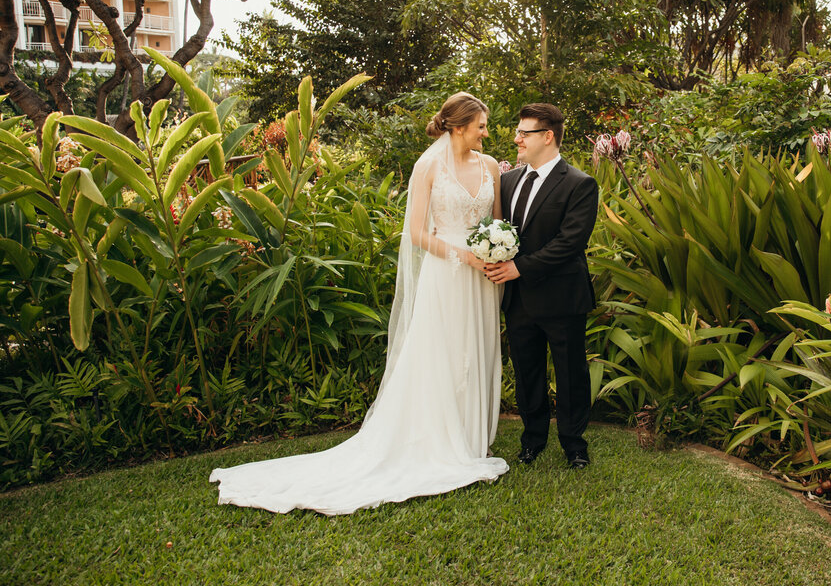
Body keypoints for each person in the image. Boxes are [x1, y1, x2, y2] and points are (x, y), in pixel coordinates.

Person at [209, 92, 509, 514]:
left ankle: (473, 436)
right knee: (442, 351)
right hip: (448, 274)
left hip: (483, 276)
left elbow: (495, 221)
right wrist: (465, 255)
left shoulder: (491, 166)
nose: (486, 131)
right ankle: (439, 436)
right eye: (480, 124)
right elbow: (418, 235)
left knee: (476, 349)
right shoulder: (429, 167)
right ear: (459, 126)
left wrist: (496, 250)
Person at [485, 103, 599, 469]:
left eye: (524, 133)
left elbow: (570, 242)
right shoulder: (508, 181)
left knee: (571, 374)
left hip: (563, 297)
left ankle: (574, 445)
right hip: (519, 302)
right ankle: (532, 441)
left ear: (548, 136)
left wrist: (519, 268)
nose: (516, 139)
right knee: (527, 373)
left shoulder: (580, 183)